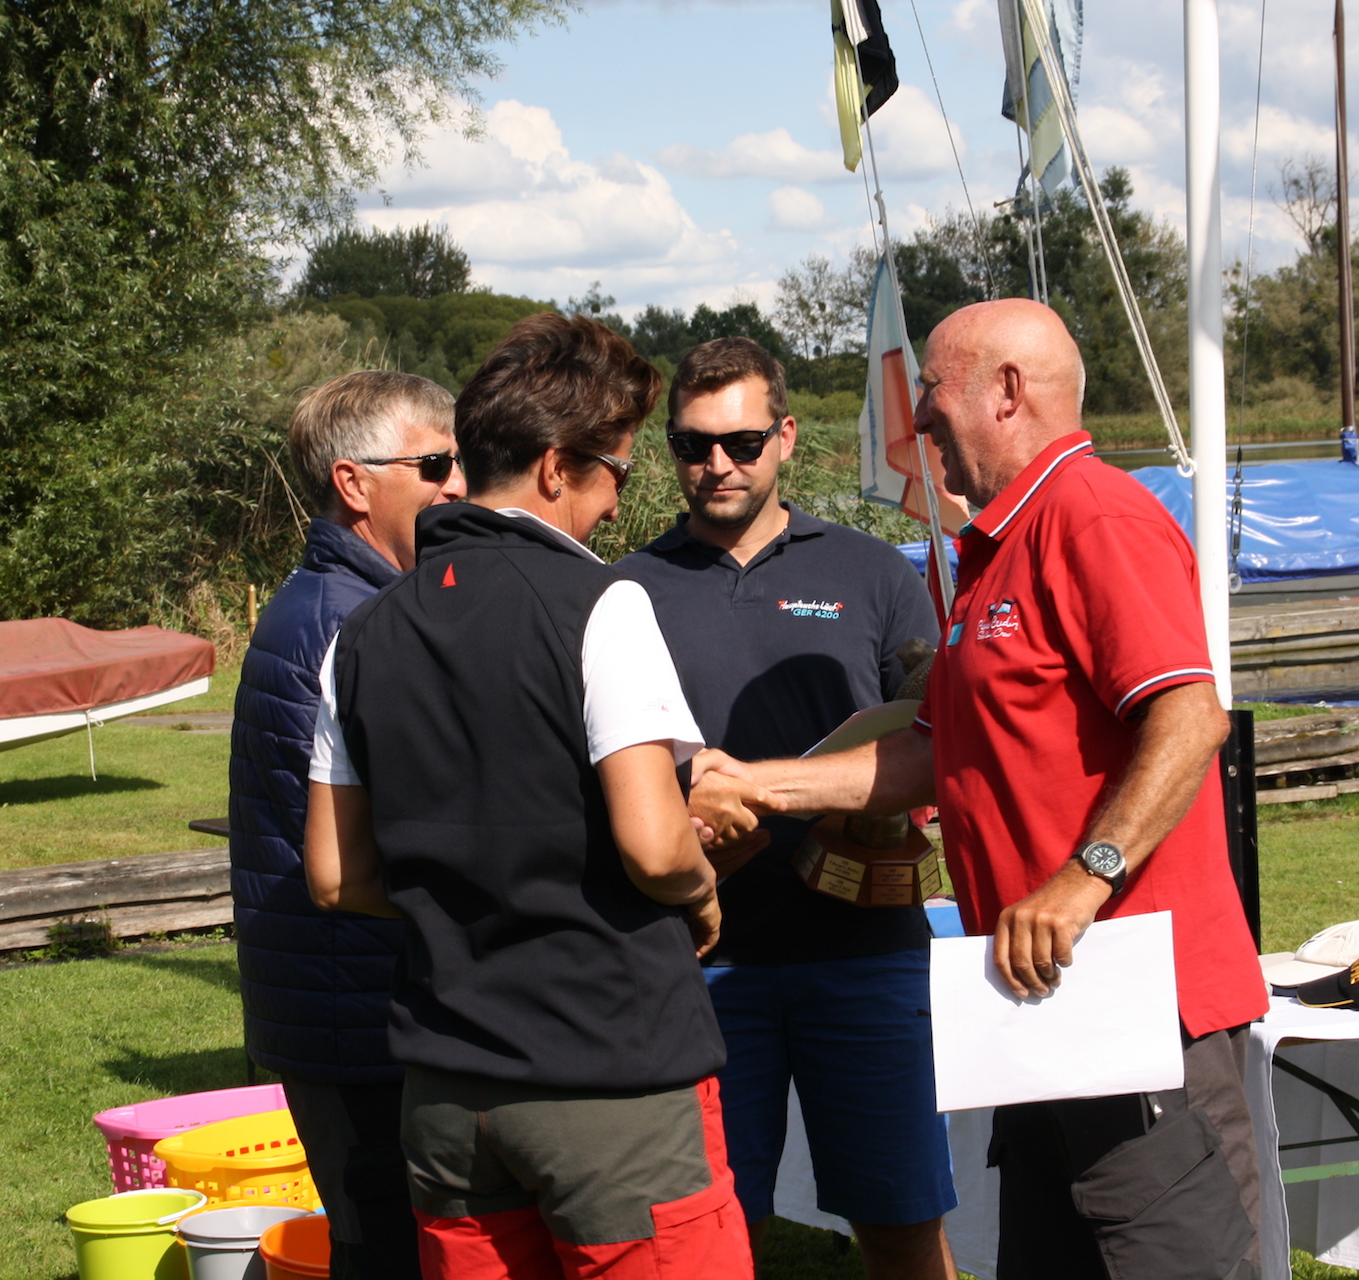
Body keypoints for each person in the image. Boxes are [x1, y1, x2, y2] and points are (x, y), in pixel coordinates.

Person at [692, 299, 1269, 1280]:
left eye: (932, 393)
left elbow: (1189, 718)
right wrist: (761, 782)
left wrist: (1082, 878)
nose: (919, 420)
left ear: (1007, 391)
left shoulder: (1094, 515)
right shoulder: (991, 547)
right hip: (1039, 1007)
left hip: (1141, 1013)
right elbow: (930, 752)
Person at [302, 313, 761, 1280]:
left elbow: (337, 876)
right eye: (616, 472)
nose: (617, 505)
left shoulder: (361, 635)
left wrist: (465, 895)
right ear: (556, 468)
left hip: (445, 1087)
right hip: (607, 1072)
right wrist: (701, 890)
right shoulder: (604, 604)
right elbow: (654, 846)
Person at [616, 337, 955, 1280]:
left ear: (788, 436)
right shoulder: (625, 592)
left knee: (903, 1223)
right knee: (714, 1238)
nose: (718, 464)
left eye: (743, 442)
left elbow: (936, 749)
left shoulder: (874, 574)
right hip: (699, 964)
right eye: (693, 445)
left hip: (867, 952)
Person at [229, 369, 466, 1280]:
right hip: (358, 1015)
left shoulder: (354, 604)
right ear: (354, 484)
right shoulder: (346, 623)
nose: (457, 484)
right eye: (435, 465)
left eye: (459, 461)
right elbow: (406, 822)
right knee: (389, 1252)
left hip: (354, 1003)